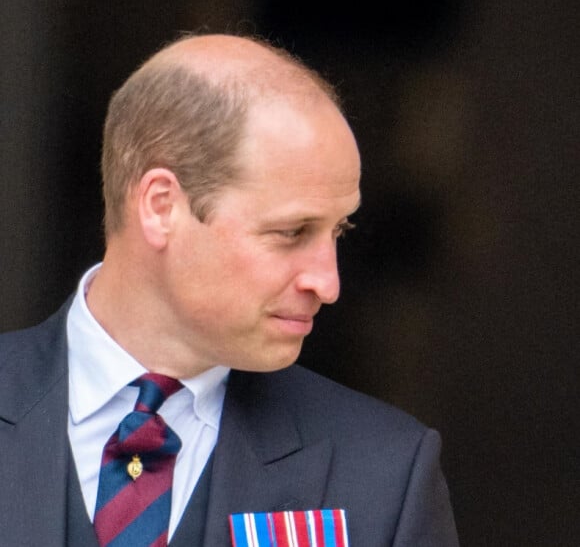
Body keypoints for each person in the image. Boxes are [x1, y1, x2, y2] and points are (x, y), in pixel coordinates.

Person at [0, 33, 459, 546]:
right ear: (161, 206)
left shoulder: (384, 474)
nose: (328, 283)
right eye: (291, 232)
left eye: (338, 232)